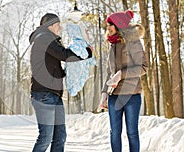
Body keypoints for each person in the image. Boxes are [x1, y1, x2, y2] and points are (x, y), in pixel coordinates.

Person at [29, 13, 92, 152]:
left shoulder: (49, 40)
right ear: (49, 25)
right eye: (57, 24)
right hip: (43, 94)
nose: (60, 27)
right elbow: (64, 55)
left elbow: (57, 68)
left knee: (60, 136)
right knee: (45, 137)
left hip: (54, 94)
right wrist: (87, 52)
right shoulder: (43, 38)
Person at [97, 10, 148, 152]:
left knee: (132, 133)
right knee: (114, 133)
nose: (108, 29)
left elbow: (143, 68)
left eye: (110, 25)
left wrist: (121, 74)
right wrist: (104, 94)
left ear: (119, 26)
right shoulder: (112, 45)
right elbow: (109, 72)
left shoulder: (133, 43)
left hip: (132, 95)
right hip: (114, 97)